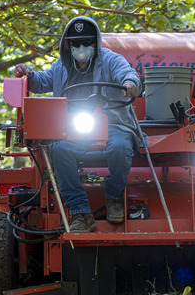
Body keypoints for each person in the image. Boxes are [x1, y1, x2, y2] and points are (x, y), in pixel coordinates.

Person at [13, 16, 142, 232]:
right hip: (75, 128)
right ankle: (80, 212)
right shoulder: (61, 67)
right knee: (60, 148)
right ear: (68, 45)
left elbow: (127, 73)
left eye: (87, 42)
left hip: (114, 124)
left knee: (120, 147)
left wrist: (130, 83)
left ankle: (114, 196)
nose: (81, 48)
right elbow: (41, 81)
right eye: (75, 43)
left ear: (96, 42)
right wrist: (27, 74)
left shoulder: (111, 59)